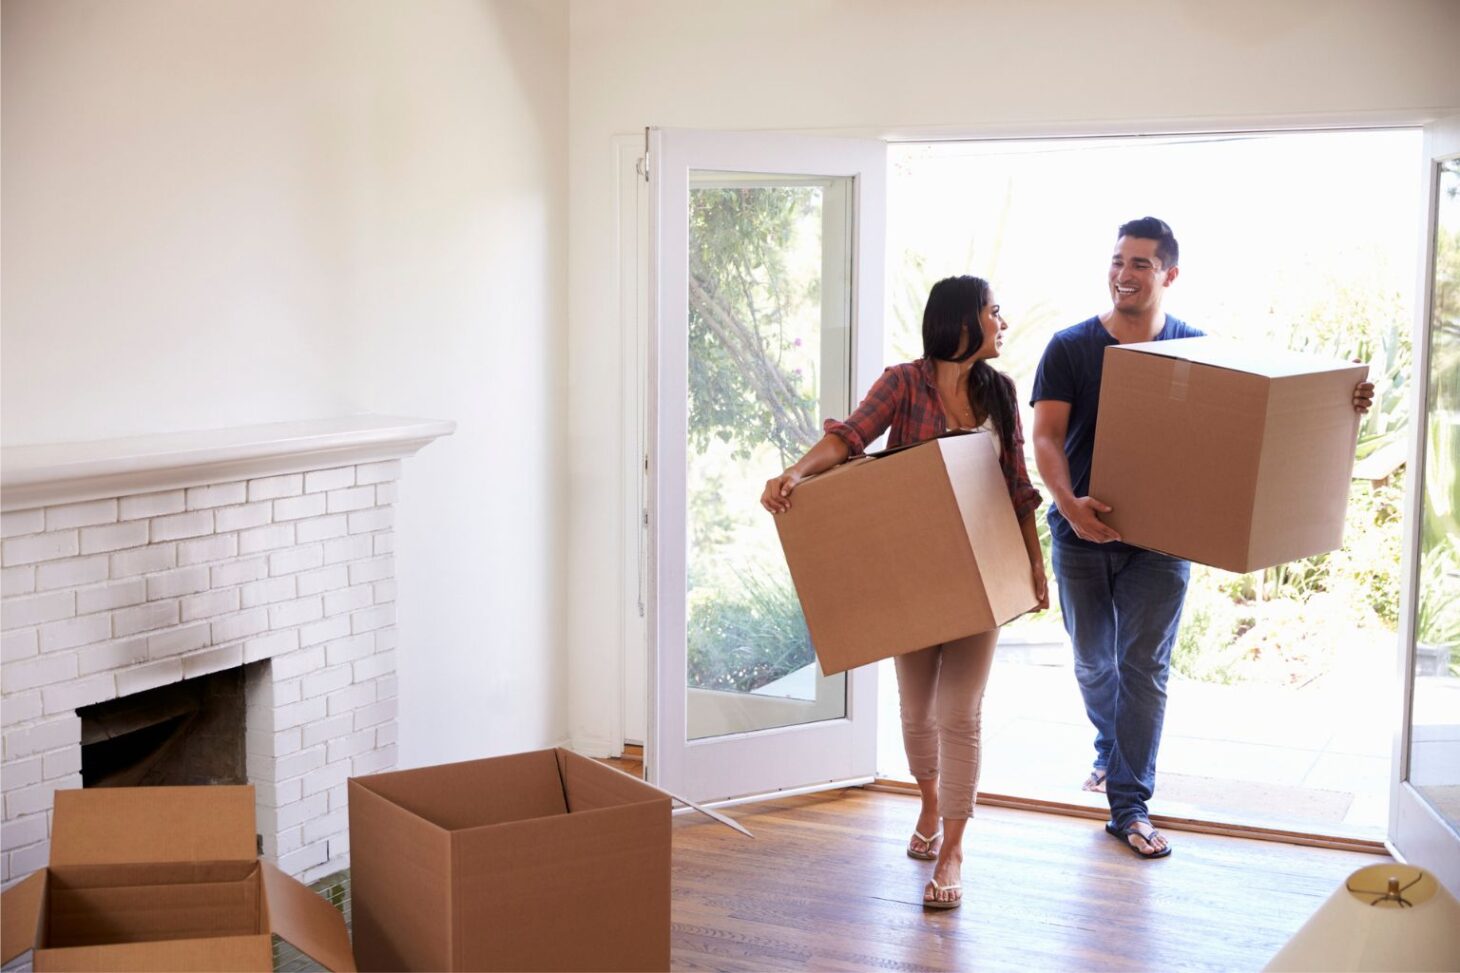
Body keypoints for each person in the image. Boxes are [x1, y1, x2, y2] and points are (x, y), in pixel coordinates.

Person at [1030, 217, 1375, 860]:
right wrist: (1070, 504)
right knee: (1092, 662)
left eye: (1139, 264)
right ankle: (1110, 749)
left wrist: (1344, 402)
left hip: (1162, 543)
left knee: (1145, 668)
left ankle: (1129, 805)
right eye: (1117, 261)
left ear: (1169, 275)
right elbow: (1046, 437)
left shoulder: (1199, 348)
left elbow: (1261, 415)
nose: (1123, 274)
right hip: (1080, 533)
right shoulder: (1070, 347)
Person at [761, 275, 1046, 909]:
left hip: (979, 574)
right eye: (993, 312)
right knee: (917, 713)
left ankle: (953, 846)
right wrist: (793, 473)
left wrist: (1033, 563)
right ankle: (928, 801)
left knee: (959, 713)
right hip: (913, 577)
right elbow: (849, 439)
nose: (1002, 321)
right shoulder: (903, 382)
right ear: (963, 322)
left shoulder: (999, 391)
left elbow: (1018, 485)